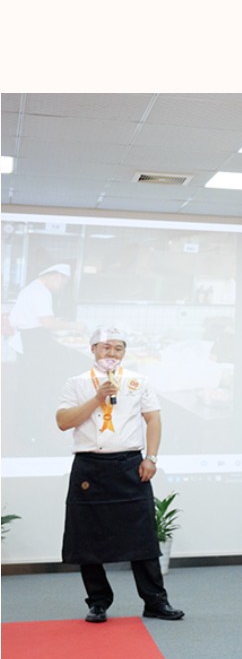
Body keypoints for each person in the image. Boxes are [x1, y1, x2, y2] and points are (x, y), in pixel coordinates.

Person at [55, 326, 184, 624]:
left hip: (129, 464)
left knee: (142, 535)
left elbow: (153, 419)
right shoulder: (75, 383)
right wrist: (97, 397)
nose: (112, 353)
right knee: (87, 537)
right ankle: (98, 602)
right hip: (89, 466)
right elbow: (63, 421)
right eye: (106, 347)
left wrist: (151, 458)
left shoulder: (138, 381)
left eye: (118, 348)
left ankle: (155, 601)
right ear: (93, 349)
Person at [7, 263, 74, 356]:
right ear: (57, 277)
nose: (61, 288)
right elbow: (48, 323)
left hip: (26, 337)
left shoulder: (33, 287)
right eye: (63, 284)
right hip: (33, 339)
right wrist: (73, 326)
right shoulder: (42, 292)